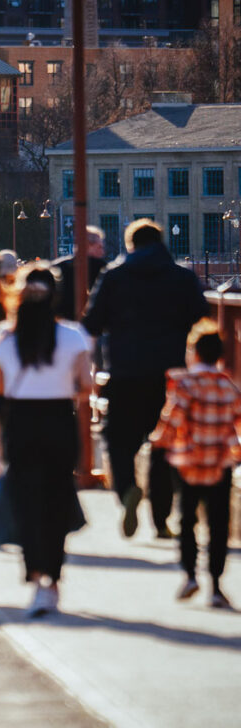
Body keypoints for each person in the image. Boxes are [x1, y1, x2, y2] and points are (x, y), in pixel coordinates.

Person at [83, 219, 208, 539]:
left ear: (130, 245)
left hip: (125, 372)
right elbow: (201, 319)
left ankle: (126, 489)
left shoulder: (113, 276)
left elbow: (93, 322)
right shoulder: (182, 277)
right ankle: (162, 519)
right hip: (171, 376)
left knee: (118, 440)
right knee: (164, 446)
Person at [0, 264, 92, 617]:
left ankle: (34, 574)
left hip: (21, 422)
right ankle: (54, 576)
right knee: (57, 498)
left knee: (26, 500)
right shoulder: (73, 336)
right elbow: (85, 384)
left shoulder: (4, 336)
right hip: (59, 419)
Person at [149, 319, 237, 609]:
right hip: (220, 463)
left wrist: (159, 439)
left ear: (194, 352)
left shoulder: (185, 383)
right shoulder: (229, 386)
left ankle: (189, 575)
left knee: (187, 518)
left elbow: (172, 419)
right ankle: (215, 584)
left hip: (188, 461)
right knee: (218, 522)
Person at [55, 226, 107, 321]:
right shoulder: (102, 269)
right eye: (100, 247)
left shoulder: (58, 267)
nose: (102, 252)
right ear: (88, 245)